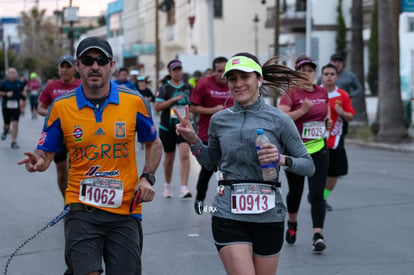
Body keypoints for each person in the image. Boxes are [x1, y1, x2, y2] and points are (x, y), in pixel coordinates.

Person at [18, 36, 162, 275]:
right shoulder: (61, 106)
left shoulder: (133, 101)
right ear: (77, 66)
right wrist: (39, 161)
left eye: (101, 60)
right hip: (81, 209)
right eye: (87, 60)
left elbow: (154, 143)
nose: (94, 66)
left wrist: (147, 177)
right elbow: (45, 152)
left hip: (125, 211)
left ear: (111, 65)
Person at [175, 52, 315, 275]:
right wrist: (193, 140)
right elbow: (211, 162)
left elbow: (308, 166)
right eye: (232, 78)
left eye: (244, 77)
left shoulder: (279, 120)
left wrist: (281, 159)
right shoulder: (220, 120)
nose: (238, 84)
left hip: (269, 214)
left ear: (258, 79)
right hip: (228, 213)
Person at [279, 54, 332, 252]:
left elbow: (324, 113)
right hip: (295, 150)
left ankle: (318, 234)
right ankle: (292, 224)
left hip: (319, 148)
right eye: (302, 71)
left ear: (314, 74)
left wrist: (327, 121)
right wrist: (301, 111)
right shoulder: (291, 93)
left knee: (317, 192)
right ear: (296, 73)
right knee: (296, 192)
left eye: (310, 70)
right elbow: (282, 119)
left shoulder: (321, 91)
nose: (307, 74)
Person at [189, 56, 234, 215]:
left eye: (225, 71)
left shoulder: (235, 82)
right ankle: (200, 197)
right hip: (208, 133)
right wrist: (212, 110)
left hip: (231, 135)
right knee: (207, 169)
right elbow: (192, 107)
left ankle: (229, 202)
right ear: (213, 71)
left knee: (231, 170)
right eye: (219, 71)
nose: (222, 74)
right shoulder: (204, 83)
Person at [37, 55, 82, 198]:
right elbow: (40, 108)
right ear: (58, 69)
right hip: (58, 136)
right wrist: (56, 115)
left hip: (78, 134)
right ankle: (67, 201)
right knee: (62, 172)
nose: (64, 70)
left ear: (75, 68)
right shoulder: (51, 86)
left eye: (68, 66)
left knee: (77, 169)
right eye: (62, 66)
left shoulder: (81, 86)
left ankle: (79, 202)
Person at [155, 59, 193, 198]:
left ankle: (184, 188)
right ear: (170, 72)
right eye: (174, 70)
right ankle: (167, 186)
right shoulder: (165, 88)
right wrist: (173, 100)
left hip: (182, 127)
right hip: (167, 127)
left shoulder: (188, 87)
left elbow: (193, 105)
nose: (177, 72)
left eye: (179, 69)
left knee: (184, 155)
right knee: (169, 158)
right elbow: (157, 107)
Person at [320, 63, 355, 211]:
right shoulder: (316, 93)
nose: (329, 77)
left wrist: (341, 112)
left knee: (334, 174)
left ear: (336, 77)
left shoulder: (343, 95)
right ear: (321, 76)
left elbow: (351, 116)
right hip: (317, 139)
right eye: (326, 74)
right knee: (318, 172)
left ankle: (323, 197)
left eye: (332, 74)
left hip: (335, 140)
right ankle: (316, 195)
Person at [0, 67, 25, 149]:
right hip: (6, 107)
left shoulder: (19, 83)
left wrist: (23, 99)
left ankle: (13, 142)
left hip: (16, 107)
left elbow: (23, 92)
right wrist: (5, 94)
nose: (13, 74)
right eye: (11, 72)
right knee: (7, 125)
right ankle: (5, 131)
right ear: (8, 74)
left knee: (15, 124)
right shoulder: (3, 83)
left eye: (14, 72)